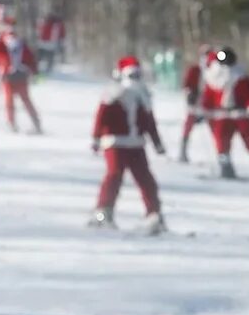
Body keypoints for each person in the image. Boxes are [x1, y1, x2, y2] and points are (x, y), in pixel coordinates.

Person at [89, 56, 166, 232]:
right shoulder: (112, 94)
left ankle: (154, 213)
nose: (134, 80)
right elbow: (101, 117)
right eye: (131, 75)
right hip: (115, 142)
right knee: (114, 175)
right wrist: (96, 138)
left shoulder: (142, 96)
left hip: (136, 144)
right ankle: (103, 211)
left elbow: (149, 122)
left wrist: (157, 143)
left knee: (145, 178)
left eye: (137, 75)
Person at [200, 47, 249, 179]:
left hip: (240, 113)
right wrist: (202, 112)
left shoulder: (240, 76)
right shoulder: (213, 76)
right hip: (221, 114)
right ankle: (225, 165)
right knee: (221, 139)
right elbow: (208, 98)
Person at [0, 30, 41, 133]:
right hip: (9, 77)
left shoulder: (23, 48)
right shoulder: (2, 46)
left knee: (25, 101)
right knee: (10, 102)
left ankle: (36, 123)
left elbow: (31, 60)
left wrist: (35, 72)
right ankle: (12, 123)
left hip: (20, 76)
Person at [178, 44, 210, 162]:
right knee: (189, 125)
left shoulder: (215, 70)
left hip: (210, 105)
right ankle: (183, 151)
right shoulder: (195, 69)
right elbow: (187, 85)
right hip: (196, 102)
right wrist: (190, 94)